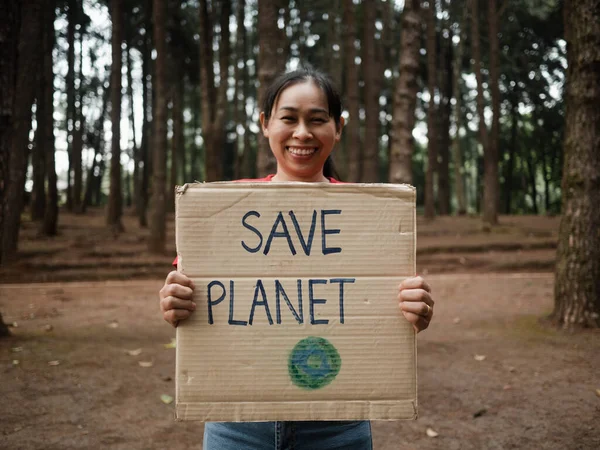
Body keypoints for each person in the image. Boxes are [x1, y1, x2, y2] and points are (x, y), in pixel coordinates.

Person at [159, 67, 435, 450]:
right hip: (236, 425)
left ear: (338, 128)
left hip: (338, 427)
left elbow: (382, 309)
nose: (302, 133)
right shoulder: (225, 210)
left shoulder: (370, 216)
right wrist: (174, 302)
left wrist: (413, 310)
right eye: (288, 118)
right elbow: (190, 295)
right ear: (265, 124)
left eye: (317, 120)